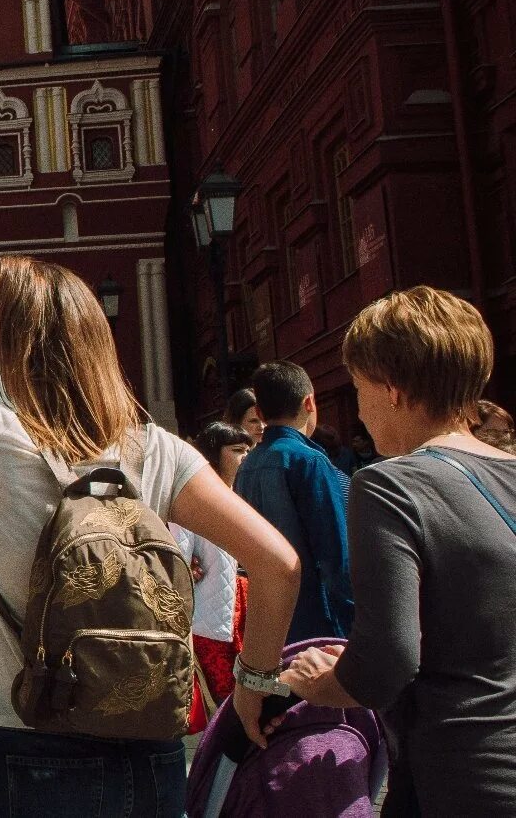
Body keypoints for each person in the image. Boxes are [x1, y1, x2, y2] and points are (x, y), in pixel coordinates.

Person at [0, 256, 301, 818]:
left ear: (7, 351)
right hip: (147, 735)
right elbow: (279, 565)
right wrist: (254, 683)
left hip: (26, 732)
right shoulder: (158, 449)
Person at [279, 287, 516, 816]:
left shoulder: (391, 485)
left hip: (462, 774)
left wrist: (324, 684)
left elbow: (388, 662)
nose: (359, 409)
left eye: (357, 387)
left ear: (389, 389)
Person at [232, 359, 354, 642]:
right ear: (309, 402)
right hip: (317, 618)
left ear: (260, 412)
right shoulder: (310, 460)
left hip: (266, 617)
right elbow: (335, 554)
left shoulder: (248, 465)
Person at [173, 421, 253, 731]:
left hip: (238, 609)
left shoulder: (235, 494)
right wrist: (187, 569)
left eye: (247, 450)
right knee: (225, 702)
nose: (244, 457)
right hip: (209, 618)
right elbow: (178, 554)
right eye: (236, 451)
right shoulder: (196, 498)